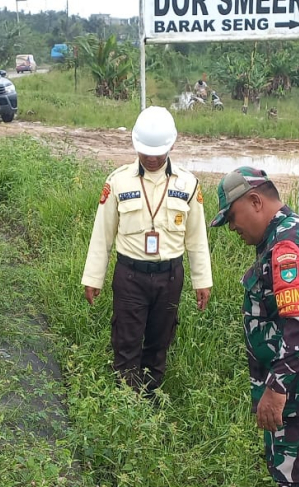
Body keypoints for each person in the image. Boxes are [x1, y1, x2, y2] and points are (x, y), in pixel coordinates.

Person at [210, 167, 299, 487]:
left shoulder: (287, 244)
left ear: (255, 201)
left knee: (296, 480)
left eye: (232, 216)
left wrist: (276, 389)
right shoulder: (284, 235)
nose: (232, 227)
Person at [82, 106, 213, 398]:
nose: (152, 159)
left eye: (158, 153)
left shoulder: (188, 184)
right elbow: (101, 234)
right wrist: (94, 277)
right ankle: (128, 402)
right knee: (126, 340)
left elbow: (196, 238)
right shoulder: (118, 181)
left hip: (169, 276)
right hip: (129, 275)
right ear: (135, 146)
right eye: (146, 152)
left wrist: (201, 280)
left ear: (172, 146)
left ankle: (152, 399)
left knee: (160, 340)